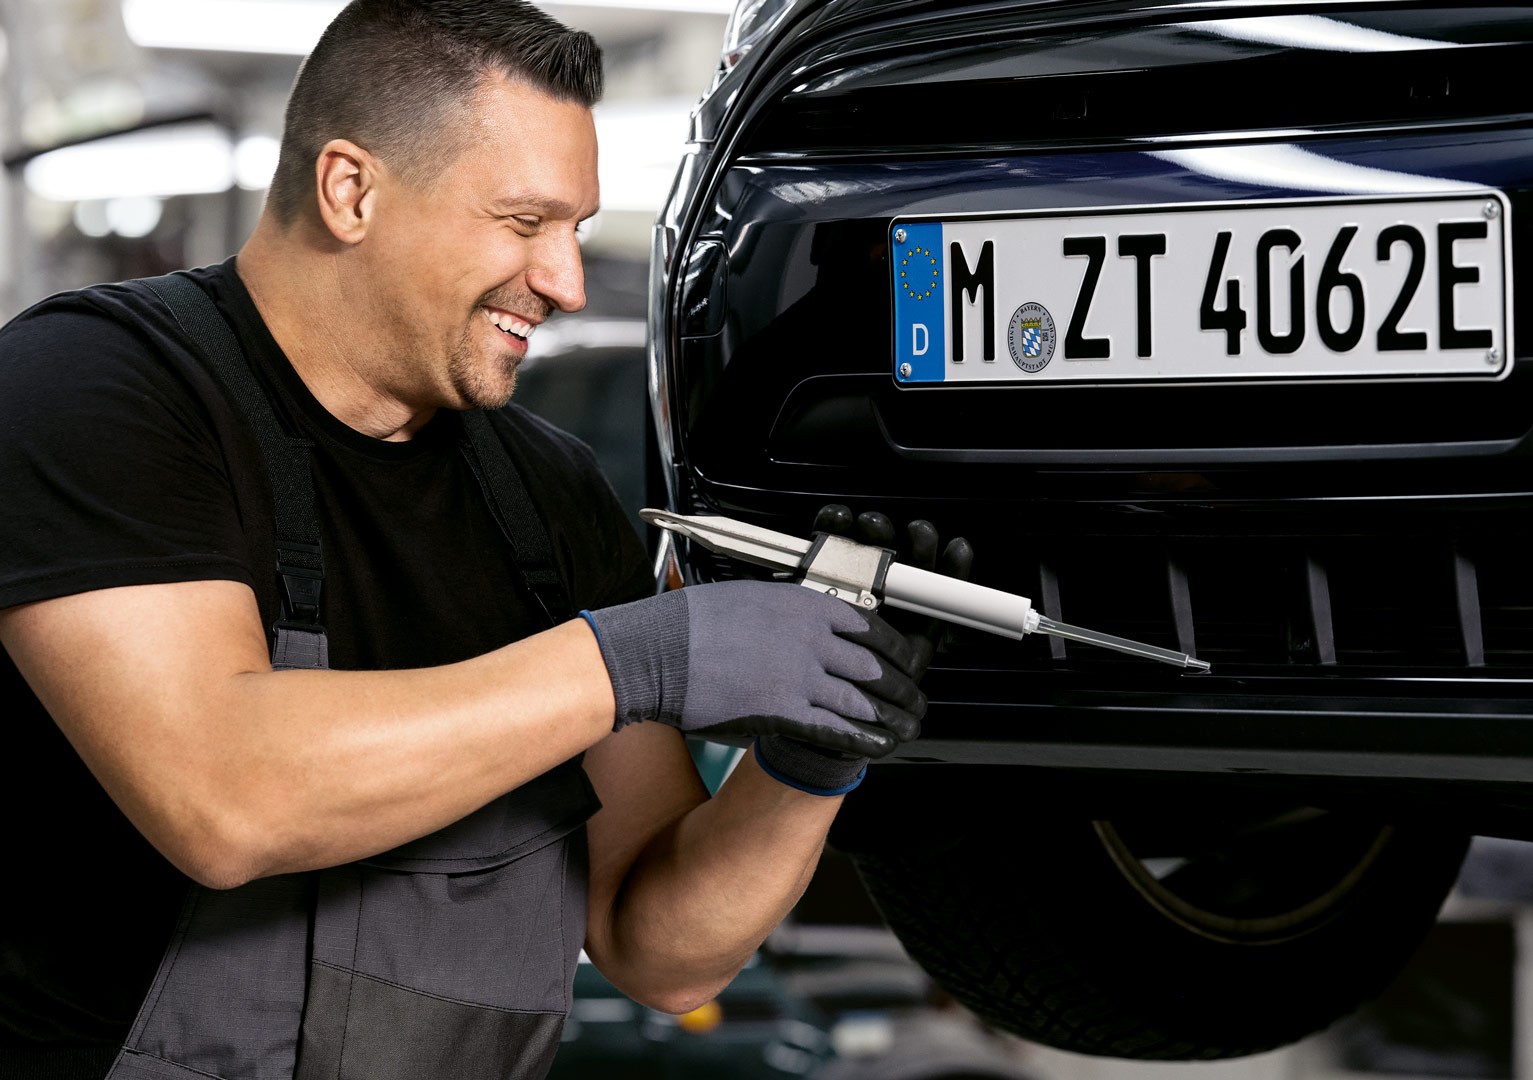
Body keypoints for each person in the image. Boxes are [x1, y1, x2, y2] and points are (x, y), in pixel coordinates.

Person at [0, 2, 963, 1076]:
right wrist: (638, 658)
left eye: (576, 231)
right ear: (350, 190)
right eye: (521, 223)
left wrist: (805, 762)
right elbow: (225, 796)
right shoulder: (96, 390)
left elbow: (659, 949)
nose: (565, 283)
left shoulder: (543, 495)